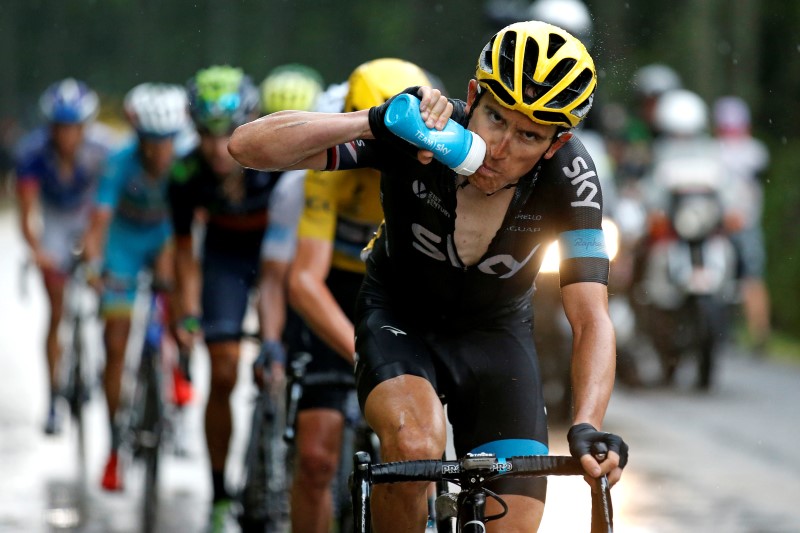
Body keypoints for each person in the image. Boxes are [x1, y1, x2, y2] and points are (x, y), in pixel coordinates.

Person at [229, 20, 628, 533]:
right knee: (416, 447)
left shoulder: (571, 178)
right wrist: (373, 122)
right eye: (494, 118)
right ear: (471, 97)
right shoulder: (424, 137)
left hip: (496, 334)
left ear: (556, 143)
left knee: (517, 524)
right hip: (399, 316)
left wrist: (588, 422)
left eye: (528, 135)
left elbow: (592, 317)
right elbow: (246, 147)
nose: (502, 146)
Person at [276, 58, 433, 533]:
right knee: (317, 459)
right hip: (336, 295)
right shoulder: (332, 168)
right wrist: (362, 353)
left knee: (417, 457)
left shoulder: (433, 160)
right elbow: (304, 281)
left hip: (401, 295)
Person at [168, 65, 286, 533]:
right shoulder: (184, 172)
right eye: (206, 135)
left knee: (294, 360)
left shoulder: (278, 159)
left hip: (277, 252)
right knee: (222, 370)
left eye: (228, 134)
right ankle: (219, 493)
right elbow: (183, 251)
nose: (219, 149)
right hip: (225, 258)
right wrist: (189, 314)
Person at [82, 82, 190, 490]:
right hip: (123, 245)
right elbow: (99, 221)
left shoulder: (183, 163)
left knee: (178, 283)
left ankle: (178, 361)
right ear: (140, 140)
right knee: (115, 342)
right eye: (153, 143)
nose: (162, 152)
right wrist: (94, 265)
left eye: (169, 142)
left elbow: (191, 225)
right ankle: (113, 446)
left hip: (160, 237)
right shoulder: (119, 162)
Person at [15, 78, 111, 435]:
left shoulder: (103, 148)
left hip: (90, 215)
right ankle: (53, 396)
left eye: (74, 127)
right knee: (56, 311)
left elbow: (110, 199)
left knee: (107, 290)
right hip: (55, 220)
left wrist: (96, 245)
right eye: (60, 127)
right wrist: (37, 252)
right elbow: (27, 214)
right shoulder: (32, 152)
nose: (67, 135)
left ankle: (102, 362)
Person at [713, 96, 771, 354]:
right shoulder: (755, 150)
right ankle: (757, 333)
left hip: (731, 224)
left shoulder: (715, 150)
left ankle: (746, 333)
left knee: (733, 279)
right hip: (738, 223)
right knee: (748, 279)